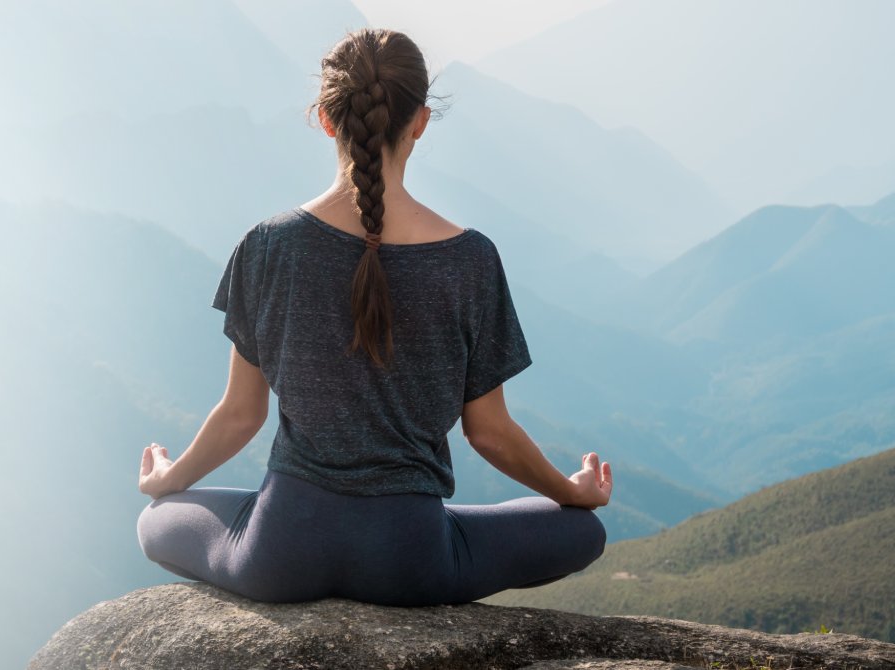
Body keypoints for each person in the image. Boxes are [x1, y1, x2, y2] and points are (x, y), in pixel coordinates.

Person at [134, 27, 612, 607]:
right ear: (420, 121)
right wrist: (571, 489)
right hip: (411, 562)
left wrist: (170, 477)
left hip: (282, 551)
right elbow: (488, 432)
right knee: (583, 531)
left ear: (326, 119)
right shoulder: (470, 260)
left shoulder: (267, 246)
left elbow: (241, 415)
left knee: (156, 521)